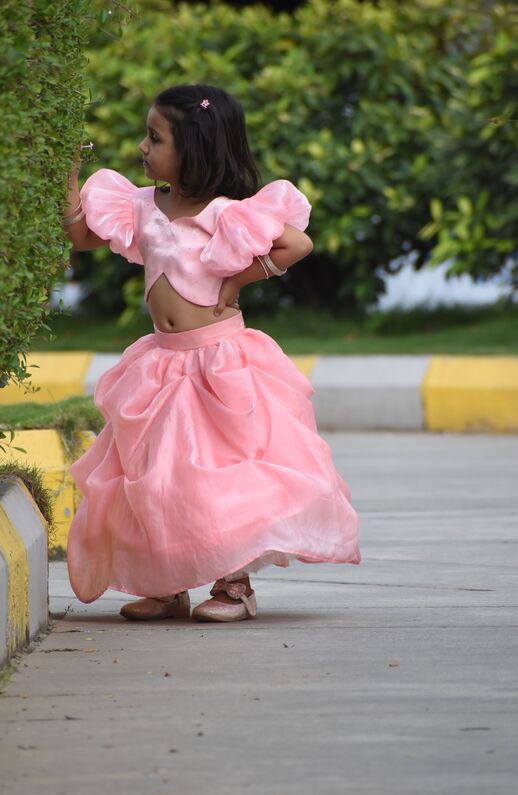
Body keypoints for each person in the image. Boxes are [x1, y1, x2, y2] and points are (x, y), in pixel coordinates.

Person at [62, 83, 360, 623]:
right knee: (158, 475)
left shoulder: (228, 213)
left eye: (155, 138)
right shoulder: (142, 204)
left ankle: (234, 586)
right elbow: (83, 236)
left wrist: (240, 280)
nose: (142, 147)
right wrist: (67, 185)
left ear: (194, 148)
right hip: (161, 361)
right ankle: (167, 580)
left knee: (219, 473)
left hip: (220, 361)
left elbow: (297, 244)